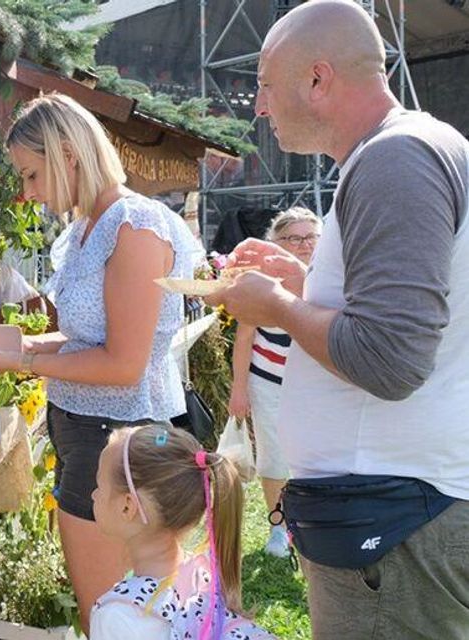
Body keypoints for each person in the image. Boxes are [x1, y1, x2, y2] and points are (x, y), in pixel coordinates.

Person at [207, 2, 469, 637]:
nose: (260, 106)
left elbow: (389, 357)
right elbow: (400, 311)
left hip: (394, 525)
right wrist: (300, 282)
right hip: (393, 516)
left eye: (265, 85)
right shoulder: (406, 151)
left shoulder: (395, 159)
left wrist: (275, 306)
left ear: (318, 79)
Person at [0, 93, 201, 629]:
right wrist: (14, 350)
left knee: (111, 616)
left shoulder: (133, 223)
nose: (29, 192)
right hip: (82, 430)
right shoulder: (85, 228)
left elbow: (122, 364)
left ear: (68, 154)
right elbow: (84, 337)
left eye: (32, 174)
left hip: (121, 435)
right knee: (108, 615)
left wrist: (21, 362)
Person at [90, 425, 274, 639]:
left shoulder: (117, 617)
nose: (94, 494)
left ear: (127, 506)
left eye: (99, 485)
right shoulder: (201, 578)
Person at [226, 206, 320, 558]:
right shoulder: (260, 281)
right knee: (274, 457)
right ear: (274, 242)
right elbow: (244, 337)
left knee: (314, 457)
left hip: (315, 384)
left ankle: (311, 523)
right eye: (293, 238)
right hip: (268, 379)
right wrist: (239, 388)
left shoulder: (327, 277)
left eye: (310, 237)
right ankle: (278, 527)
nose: (303, 245)